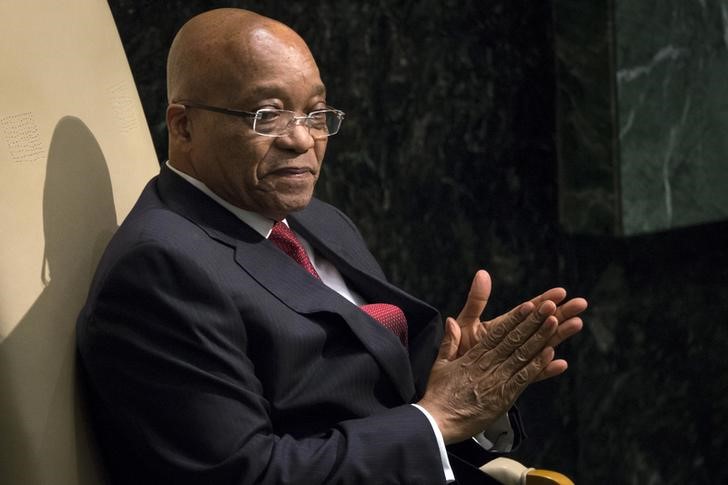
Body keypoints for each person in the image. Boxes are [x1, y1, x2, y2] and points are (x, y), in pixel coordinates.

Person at [76, 8, 587, 485]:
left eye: (316, 114)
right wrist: (435, 420)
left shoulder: (317, 220)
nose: (302, 140)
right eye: (268, 115)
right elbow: (246, 473)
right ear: (184, 125)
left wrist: (471, 388)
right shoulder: (160, 270)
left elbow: (378, 382)